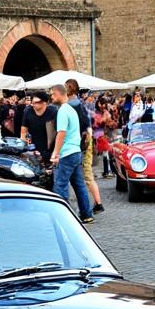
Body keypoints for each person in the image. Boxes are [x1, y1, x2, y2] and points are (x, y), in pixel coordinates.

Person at [49, 84, 93, 223]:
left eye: (52, 94)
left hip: (66, 153)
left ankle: (64, 217)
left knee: (60, 185)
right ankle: (87, 214)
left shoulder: (62, 111)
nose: (51, 97)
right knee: (79, 185)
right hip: (76, 151)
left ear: (60, 94)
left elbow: (61, 133)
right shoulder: (72, 110)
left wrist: (55, 153)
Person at [66, 82, 102, 213]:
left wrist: (84, 142)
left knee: (86, 176)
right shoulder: (78, 104)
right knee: (84, 176)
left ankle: (97, 204)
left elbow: (86, 126)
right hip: (83, 142)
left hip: (83, 143)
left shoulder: (76, 105)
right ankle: (96, 203)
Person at [20, 91, 58, 164]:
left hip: (50, 148)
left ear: (45, 102)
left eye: (36, 102)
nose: (33, 105)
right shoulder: (28, 111)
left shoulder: (53, 112)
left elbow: (59, 132)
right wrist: (25, 148)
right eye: (32, 102)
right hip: (34, 147)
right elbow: (23, 131)